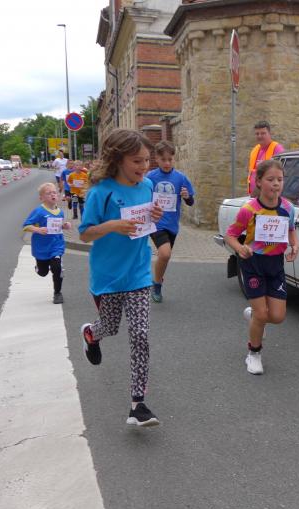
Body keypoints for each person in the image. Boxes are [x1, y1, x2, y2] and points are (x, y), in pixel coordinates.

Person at [78, 128, 164, 428]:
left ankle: (138, 405)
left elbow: (148, 219)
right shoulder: (100, 192)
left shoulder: (148, 185)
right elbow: (84, 234)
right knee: (110, 327)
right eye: (137, 161)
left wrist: (155, 215)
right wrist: (112, 225)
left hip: (139, 272)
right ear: (117, 159)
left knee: (140, 335)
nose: (144, 167)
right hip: (108, 276)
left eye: (147, 160)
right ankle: (91, 334)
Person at [225, 159, 299, 375]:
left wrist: (295, 244)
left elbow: (291, 229)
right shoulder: (249, 210)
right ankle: (254, 353)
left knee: (277, 316)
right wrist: (240, 248)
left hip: (275, 265)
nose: (276, 184)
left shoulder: (288, 208)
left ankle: (254, 316)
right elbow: (230, 235)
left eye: (280, 180)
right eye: (270, 179)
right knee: (262, 314)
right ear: (258, 182)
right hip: (253, 264)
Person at [145, 141, 195, 303]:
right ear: (157, 159)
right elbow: (142, 197)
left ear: (174, 158)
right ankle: (157, 284)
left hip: (172, 225)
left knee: (165, 257)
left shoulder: (180, 178)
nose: (167, 163)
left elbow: (191, 202)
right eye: (163, 159)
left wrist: (187, 196)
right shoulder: (150, 178)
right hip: (156, 223)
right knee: (165, 253)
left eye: (170, 159)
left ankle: (158, 280)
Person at [22, 182, 72, 304]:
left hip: (56, 245)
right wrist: (38, 229)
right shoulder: (39, 211)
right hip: (42, 247)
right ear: (42, 198)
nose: (53, 195)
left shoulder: (60, 212)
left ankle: (57, 293)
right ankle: (39, 268)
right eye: (49, 193)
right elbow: (26, 226)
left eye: (54, 192)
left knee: (57, 268)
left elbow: (58, 226)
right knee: (43, 273)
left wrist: (64, 226)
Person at [246, 120, 284, 195]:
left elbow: (281, 171)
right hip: (254, 194)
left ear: (269, 134)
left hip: (270, 195)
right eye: (257, 134)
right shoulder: (255, 150)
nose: (259, 136)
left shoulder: (277, 149)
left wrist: (264, 165)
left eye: (263, 133)